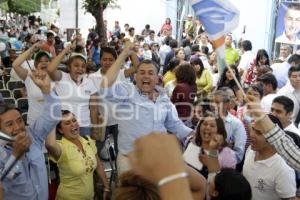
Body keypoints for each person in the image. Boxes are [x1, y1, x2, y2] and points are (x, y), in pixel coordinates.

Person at [99, 42, 193, 174]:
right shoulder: (127, 91)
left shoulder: (163, 98)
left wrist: (193, 134)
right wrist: (123, 55)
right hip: (130, 161)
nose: (146, 76)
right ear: (136, 76)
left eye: (150, 73)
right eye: (141, 72)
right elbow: (104, 88)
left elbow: (175, 125)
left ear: (157, 77)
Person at [0, 70, 61, 199]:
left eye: (19, 120)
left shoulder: (33, 135)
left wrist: (46, 89)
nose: (18, 127)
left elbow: (53, 115)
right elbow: (5, 181)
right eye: (10, 124)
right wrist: (16, 155)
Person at [45, 110, 110, 200]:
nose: (73, 124)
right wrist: (52, 115)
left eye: (74, 120)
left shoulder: (87, 140)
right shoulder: (61, 147)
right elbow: (50, 144)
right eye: (67, 123)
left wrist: (107, 187)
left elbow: (99, 165)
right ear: (60, 130)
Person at [47, 45, 98, 136]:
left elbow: (93, 108)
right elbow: (50, 69)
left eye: (83, 66)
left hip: (84, 126)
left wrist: (95, 129)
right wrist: (64, 51)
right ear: (69, 67)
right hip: (64, 127)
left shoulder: (90, 82)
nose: (80, 68)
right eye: (76, 65)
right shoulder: (62, 77)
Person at [243, 116, 296, 200]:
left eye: (259, 133)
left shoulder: (284, 169)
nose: (252, 134)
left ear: (273, 137)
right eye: (253, 129)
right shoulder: (250, 150)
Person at [12, 42, 53, 125]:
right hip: (34, 122)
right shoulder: (29, 76)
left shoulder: (55, 78)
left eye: (46, 60)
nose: (44, 63)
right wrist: (31, 49)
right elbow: (15, 65)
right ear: (35, 64)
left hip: (52, 122)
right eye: (40, 61)